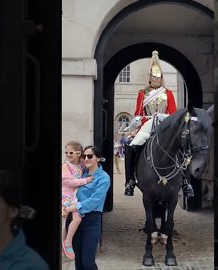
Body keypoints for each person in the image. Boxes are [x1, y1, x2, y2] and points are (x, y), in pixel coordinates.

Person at [124, 50, 194, 197]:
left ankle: (186, 182)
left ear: (161, 77)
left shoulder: (167, 93)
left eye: (158, 77)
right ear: (149, 77)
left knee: (181, 147)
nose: (156, 79)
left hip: (165, 124)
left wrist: (162, 117)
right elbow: (138, 113)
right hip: (146, 124)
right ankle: (130, 181)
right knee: (132, 146)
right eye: (153, 77)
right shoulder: (142, 93)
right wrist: (140, 119)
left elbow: (173, 113)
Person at [62, 146, 110, 270]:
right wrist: (65, 206)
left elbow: (95, 200)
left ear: (98, 158)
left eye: (90, 156)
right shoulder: (79, 172)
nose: (86, 159)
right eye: (84, 156)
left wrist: (73, 207)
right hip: (73, 220)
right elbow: (67, 188)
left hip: (91, 221)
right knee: (78, 262)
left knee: (88, 262)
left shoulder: (103, 178)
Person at [62, 141, 93, 259]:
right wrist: (85, 181)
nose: (68, 155)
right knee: (77, 217)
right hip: (66, 196)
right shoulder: (65, 166)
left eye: (71, 152)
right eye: (66, 152)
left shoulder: (81, 164)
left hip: (74, 195)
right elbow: (67, 182)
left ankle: (64, 242)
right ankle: (68, 242)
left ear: (78, 153)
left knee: (69, 221)